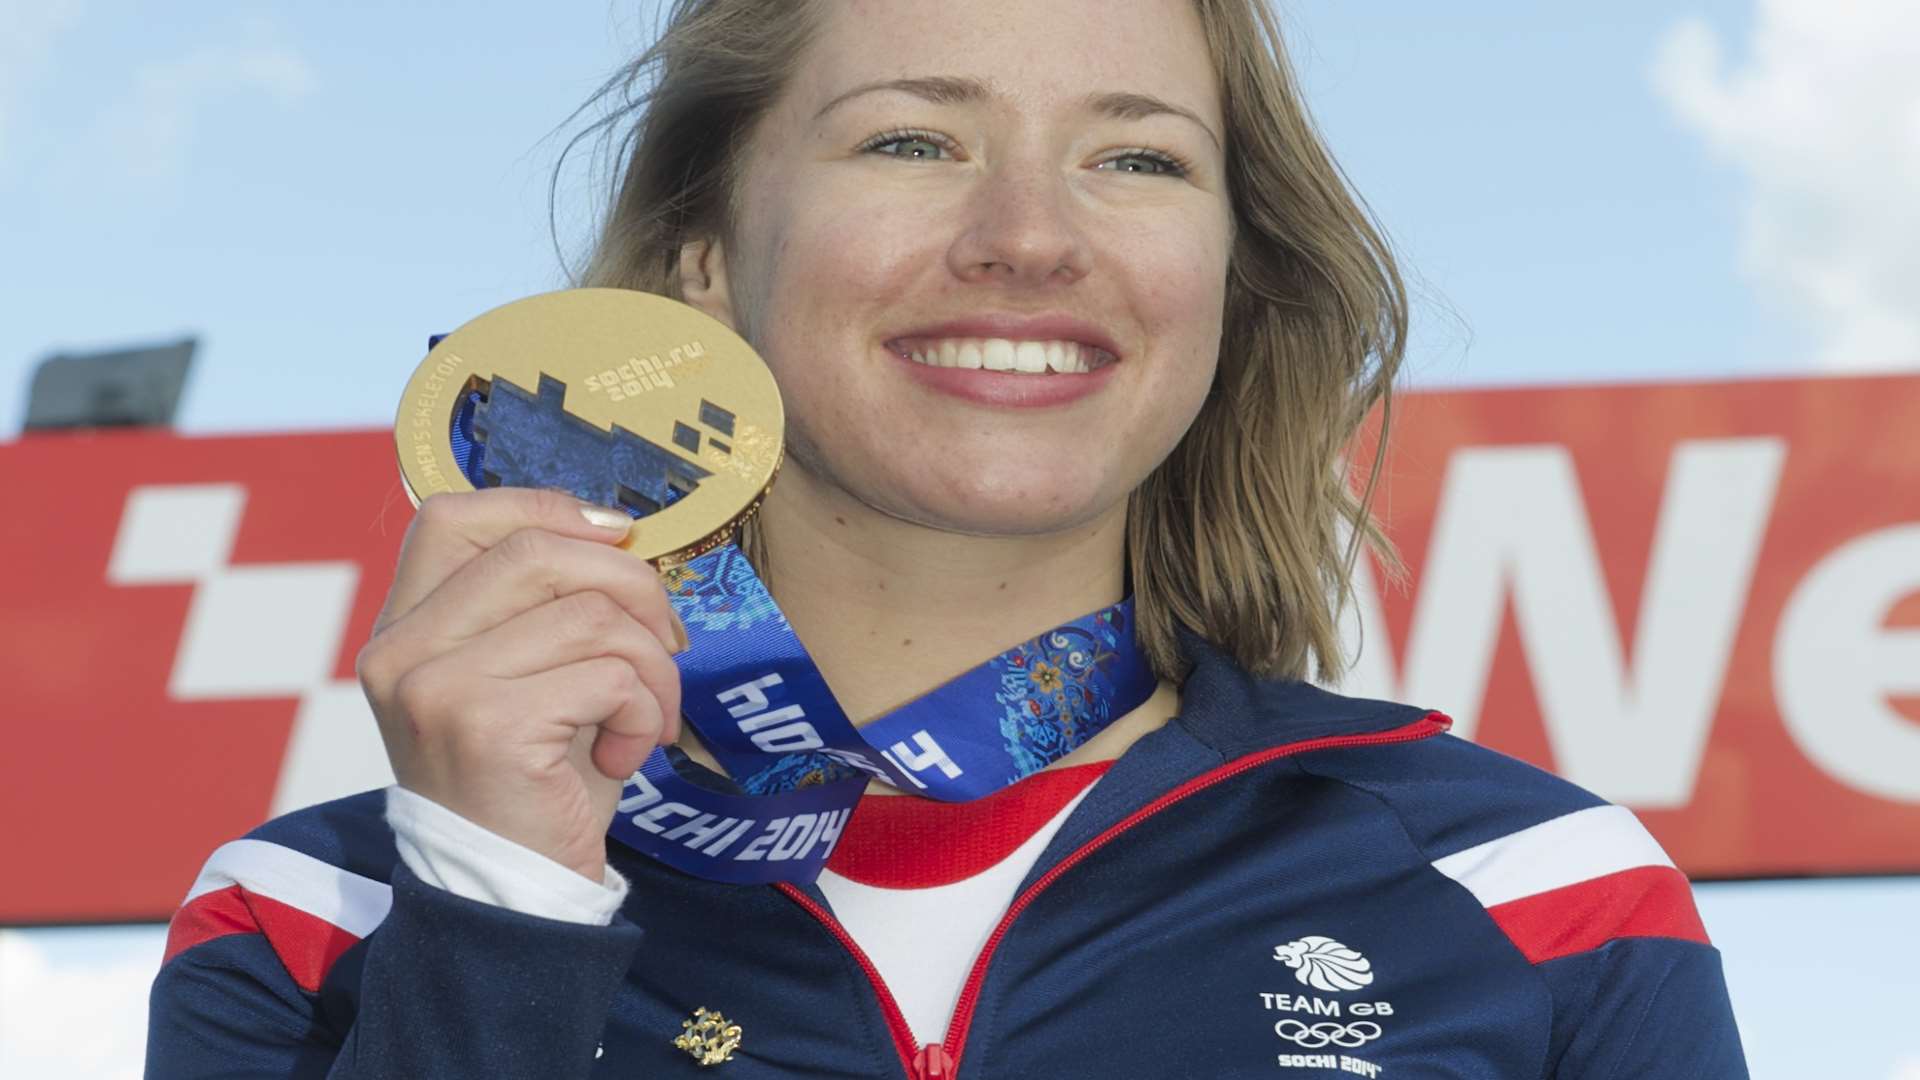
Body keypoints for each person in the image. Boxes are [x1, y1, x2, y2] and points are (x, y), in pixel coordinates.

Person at [146, 1, 1749, 1076]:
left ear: (1233, 269)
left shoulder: (1540, 891)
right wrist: (498, 904)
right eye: (913, 141)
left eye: (1138, 158)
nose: (1030, 239)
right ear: (707, 248)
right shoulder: (317, 919)